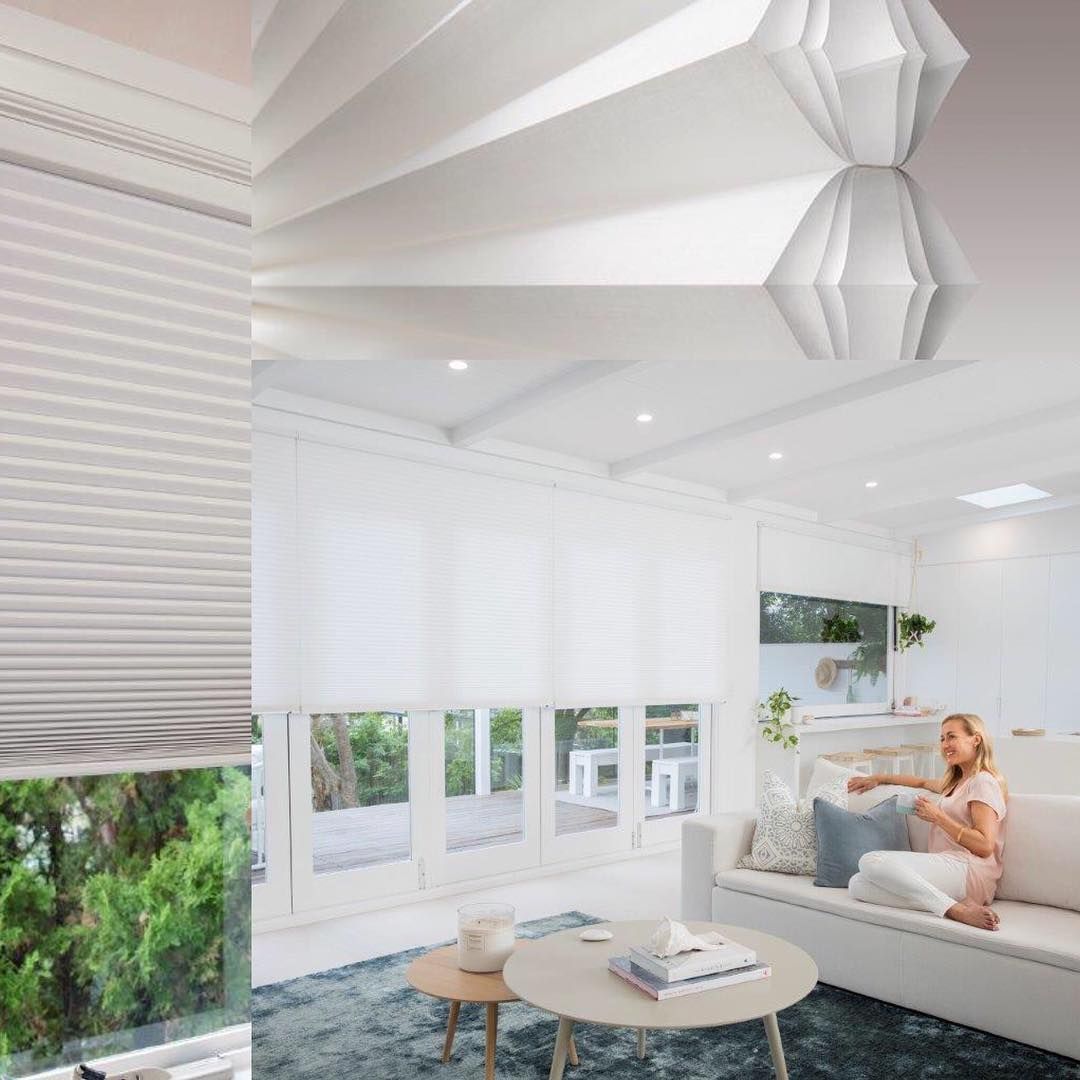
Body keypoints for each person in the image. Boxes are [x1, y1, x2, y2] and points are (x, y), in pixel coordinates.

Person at [846, 713, 1007, 931]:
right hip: (950, 870)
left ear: (975, 739)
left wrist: (938, 817)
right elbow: (920, 781)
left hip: (970, 870)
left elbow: (985, 845)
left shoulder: (982, 782)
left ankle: (956, 911)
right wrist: (878, 778)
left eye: (952, 737)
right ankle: (949, 903)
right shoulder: (956, 783)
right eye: (942, 739)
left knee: (871, 860)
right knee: (857, 884)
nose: (945, 744)